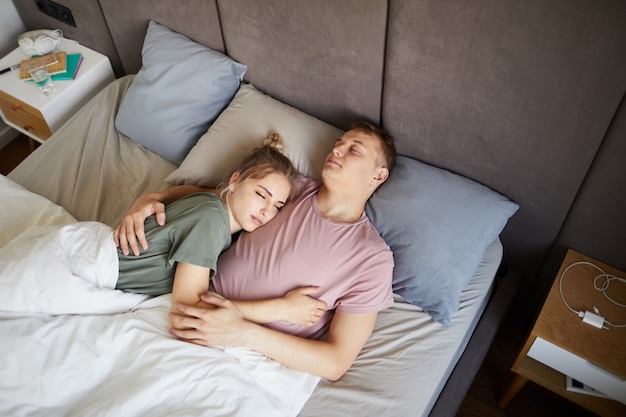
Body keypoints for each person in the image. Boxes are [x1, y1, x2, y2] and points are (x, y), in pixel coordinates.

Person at [115, 120, 397, 381]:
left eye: (354, 149)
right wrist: (154, 197)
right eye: (339, 142)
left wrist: (243, 333)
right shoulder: (289, 189)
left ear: (378, 175)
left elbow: (335, 363)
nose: (337, 149)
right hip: (187, 298)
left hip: (253, 351)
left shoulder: (372, 258)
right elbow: (217, 197)